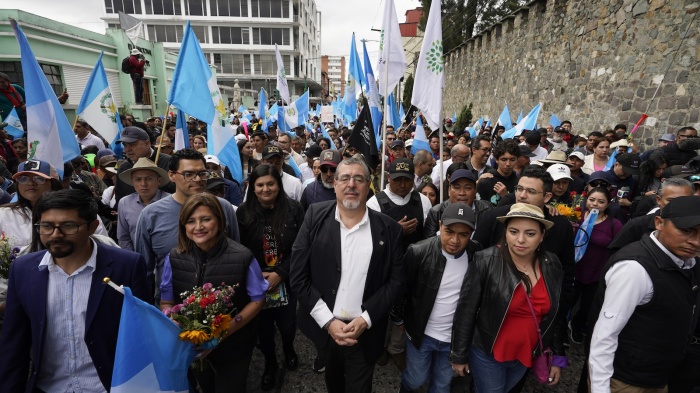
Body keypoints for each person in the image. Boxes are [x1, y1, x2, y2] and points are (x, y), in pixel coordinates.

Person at [0, 189, 150, 392]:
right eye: (46, 226)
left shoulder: (127, 266)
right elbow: (14, 342)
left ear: (92, 227)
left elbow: (141, 334)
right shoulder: (24, 270)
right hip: (47, 387)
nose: (56, 235)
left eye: (68, 226)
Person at [290, 156, 405, 393]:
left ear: (369, 185)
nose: (351, 184)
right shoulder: (314, 216)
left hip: (365, 331)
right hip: (324, 328)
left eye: (358, 179)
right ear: (335, 183)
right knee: (333, 383)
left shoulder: (389, 229)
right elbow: (298, 276)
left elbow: (396, 281)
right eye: (344, 178)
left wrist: (366, 319)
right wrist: (328, 322)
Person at [450, 203, 568, 392]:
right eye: (514, 231)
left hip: (526, 355)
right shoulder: (485, 261)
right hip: (488, 354)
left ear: (542, 236)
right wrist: (459, 355)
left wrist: (557, 356)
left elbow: (555, 315)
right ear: (505, 232)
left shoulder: (551, 263)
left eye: (530, 234)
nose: (520, 240)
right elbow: (466, 312)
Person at [588, 196, 700, 392]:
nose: (695, 241)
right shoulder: (635, 269)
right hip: (626, 382)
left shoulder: (687, 262)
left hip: (657, 377)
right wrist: (600, 387)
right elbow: (605, 335)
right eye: (686, 230)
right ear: (659, 223)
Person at [160, 193, 267, 392]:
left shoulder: (243, 257)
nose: (198, 227)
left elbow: (258, 299)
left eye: (206, 219)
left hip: (235, 347)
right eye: (191, 221)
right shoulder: (174, 257)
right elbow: (166, 301)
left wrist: (223, 332)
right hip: (193, 348)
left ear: (219, 220)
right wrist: (172, 319)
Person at [134, 148, 240, 300]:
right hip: (169, 309)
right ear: (171, 175)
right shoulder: (150, 214)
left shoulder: (224, 208)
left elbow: (236, 257)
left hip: (220, 308)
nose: (197, 179)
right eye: (188, 174)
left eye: (202, 173)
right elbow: (145, 270)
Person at [397, 202, 481, 393]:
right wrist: (398, 317)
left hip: (453, 339)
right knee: (416, 378)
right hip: (422, 334)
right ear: (440, 225)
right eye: (449, 231)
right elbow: (401, 288)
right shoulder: (418, 251)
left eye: (463, 234)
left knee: (442, 384)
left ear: (471, 233)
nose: (454, 240)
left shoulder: (477, 255)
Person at [237, 164, 305, 390]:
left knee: (287, 325)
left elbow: (301, 247)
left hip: (287, 279)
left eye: (270, 183)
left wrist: (280, 273)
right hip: (256, 283)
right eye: (260, 185)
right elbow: (240, 250)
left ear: (279, 184)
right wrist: (258, 276)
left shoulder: (294, 209)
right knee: (263, 329)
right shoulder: (243, 212)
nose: (266, 189)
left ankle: (288, 348)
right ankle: (270, 362)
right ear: (252, 187)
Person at [567, 187, 622, 345]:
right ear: (586, 200)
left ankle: (577, 324)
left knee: (587, 306)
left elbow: (618, 248)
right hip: (574, 270)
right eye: (592, 200)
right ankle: (560, 329)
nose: (595, 204)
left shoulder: (614, 224)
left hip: (596, 273)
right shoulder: (574, 216)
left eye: (601, 201)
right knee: (567, 301)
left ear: (608, 204)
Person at [608, 178, 694, 253]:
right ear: (658, 200)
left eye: (683, 201)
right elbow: (616, 253)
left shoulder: (696, 227)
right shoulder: (637, 226)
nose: (677, 205)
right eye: (671, 200)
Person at [367, 158, 433, 252]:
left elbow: (429, 237)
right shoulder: (374, 203)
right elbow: (369, 238)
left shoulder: (423, 201)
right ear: (389, 178)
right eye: (397, 180)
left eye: (407, 180)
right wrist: (395, 231)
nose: (402, 185)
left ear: (413, 178)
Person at [0, 160, 64, 251]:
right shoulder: (4, 214)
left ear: (53, 183)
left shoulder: (68, 214)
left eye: (38, 178)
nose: (30, 183)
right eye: (23, 179)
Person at [116, 157, 170, 251]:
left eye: (149, 179)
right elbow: (123, 237)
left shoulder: (170, 202)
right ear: (132, 182)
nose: (143, 184)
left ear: (159, 181)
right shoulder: (125, 203)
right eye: (138, 179)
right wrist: (133, 259)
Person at [424, 169, 492, 237]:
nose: (462, 193)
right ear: (449, 191)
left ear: (475, 191)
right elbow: (430, 242)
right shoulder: (436, 212)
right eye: (457, 188)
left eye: (468, 188)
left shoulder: (486, 209)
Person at [114, 126, 173, 204]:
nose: (127, 149)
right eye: (125, 145)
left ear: (147, 143)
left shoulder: (169, 163)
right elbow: (120, 198)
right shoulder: (124, 168)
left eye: (132, 144)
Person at [477, 139, 520, 206]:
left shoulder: (519, 182)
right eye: (504, 159)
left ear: (517, 160)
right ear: (496, 159)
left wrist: (506, 197)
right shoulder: (486, 182)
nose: (508, 164)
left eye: (512, 160)